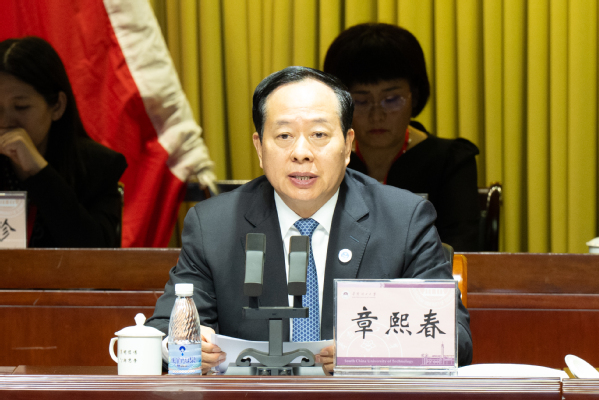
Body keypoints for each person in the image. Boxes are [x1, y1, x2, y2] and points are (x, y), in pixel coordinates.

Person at [145, 66, 472, 373]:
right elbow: (163, 330)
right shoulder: (213, 226)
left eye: (318, 134)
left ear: (348, 145)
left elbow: (454, 339)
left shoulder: (403, 219)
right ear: (259, 148)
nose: (301, 152)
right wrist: (182, 344)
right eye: (284, 136)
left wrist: (369, 352)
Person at [323, 23, 480, 251]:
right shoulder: (324, 159)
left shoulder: (449, 161)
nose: (377, 115)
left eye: (391, 100)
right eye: (361, 101)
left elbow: (461, 246)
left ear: (414, 96)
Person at [0, 37, 127, 247]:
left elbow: (96, 254)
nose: (5, 122)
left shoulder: (98, 167)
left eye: (21, 107)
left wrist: (38, 171)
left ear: (57, 106)